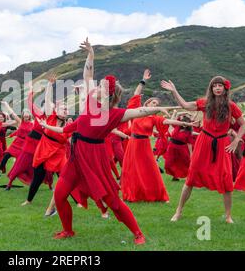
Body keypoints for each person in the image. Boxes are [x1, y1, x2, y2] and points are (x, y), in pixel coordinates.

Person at [38, 38, 178, 244]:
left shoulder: (116, 114)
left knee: (113, 201)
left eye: (102, 85)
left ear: (109, 92)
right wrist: (91, 54)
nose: (97, 86)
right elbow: (88, 74)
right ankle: (67, 230)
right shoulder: (90, 100)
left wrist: (158, 108)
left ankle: (138, 234)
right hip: (77, 157)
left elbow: (139, 111)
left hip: (95, 159)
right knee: (59, 195)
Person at [161, 77, 245, 223]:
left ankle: (228, 216)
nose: (217, 88)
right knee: (191, 177)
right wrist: (174, 91)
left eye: (220, 86)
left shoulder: (231, 106)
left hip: (222, 143)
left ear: (225, 89)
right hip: (204, 141)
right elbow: (185, 105)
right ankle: (178, 212)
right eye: (215, 86)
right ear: (211, 88)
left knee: (226, 178)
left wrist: (237, 140)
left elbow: (243, 125)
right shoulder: (204, 102)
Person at [121, 70, 190, 202]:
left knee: (150, 169)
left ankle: (157, 195)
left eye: (157, 105)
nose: (155, 106)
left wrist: (184, 123)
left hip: (145, 144)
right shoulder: (136, 111)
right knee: (132, 169)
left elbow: (167, 121)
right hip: (133, 143)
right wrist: (143, 80)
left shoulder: (153, 118)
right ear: (147, 104)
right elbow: (136, 94)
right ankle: (133, 194)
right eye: (153, 104)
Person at [22, 75, 70, 209]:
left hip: (58, 153)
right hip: (43, 149)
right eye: (63, 108)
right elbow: (48, 100)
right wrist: (50, 85)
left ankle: (77, 201)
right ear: (57, 110)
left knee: (65, 178)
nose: (65, 110)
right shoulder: (50, 116)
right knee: (38, 177)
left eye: (67, 109)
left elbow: (71, 139)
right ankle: (29, 200)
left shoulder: (68, 125)